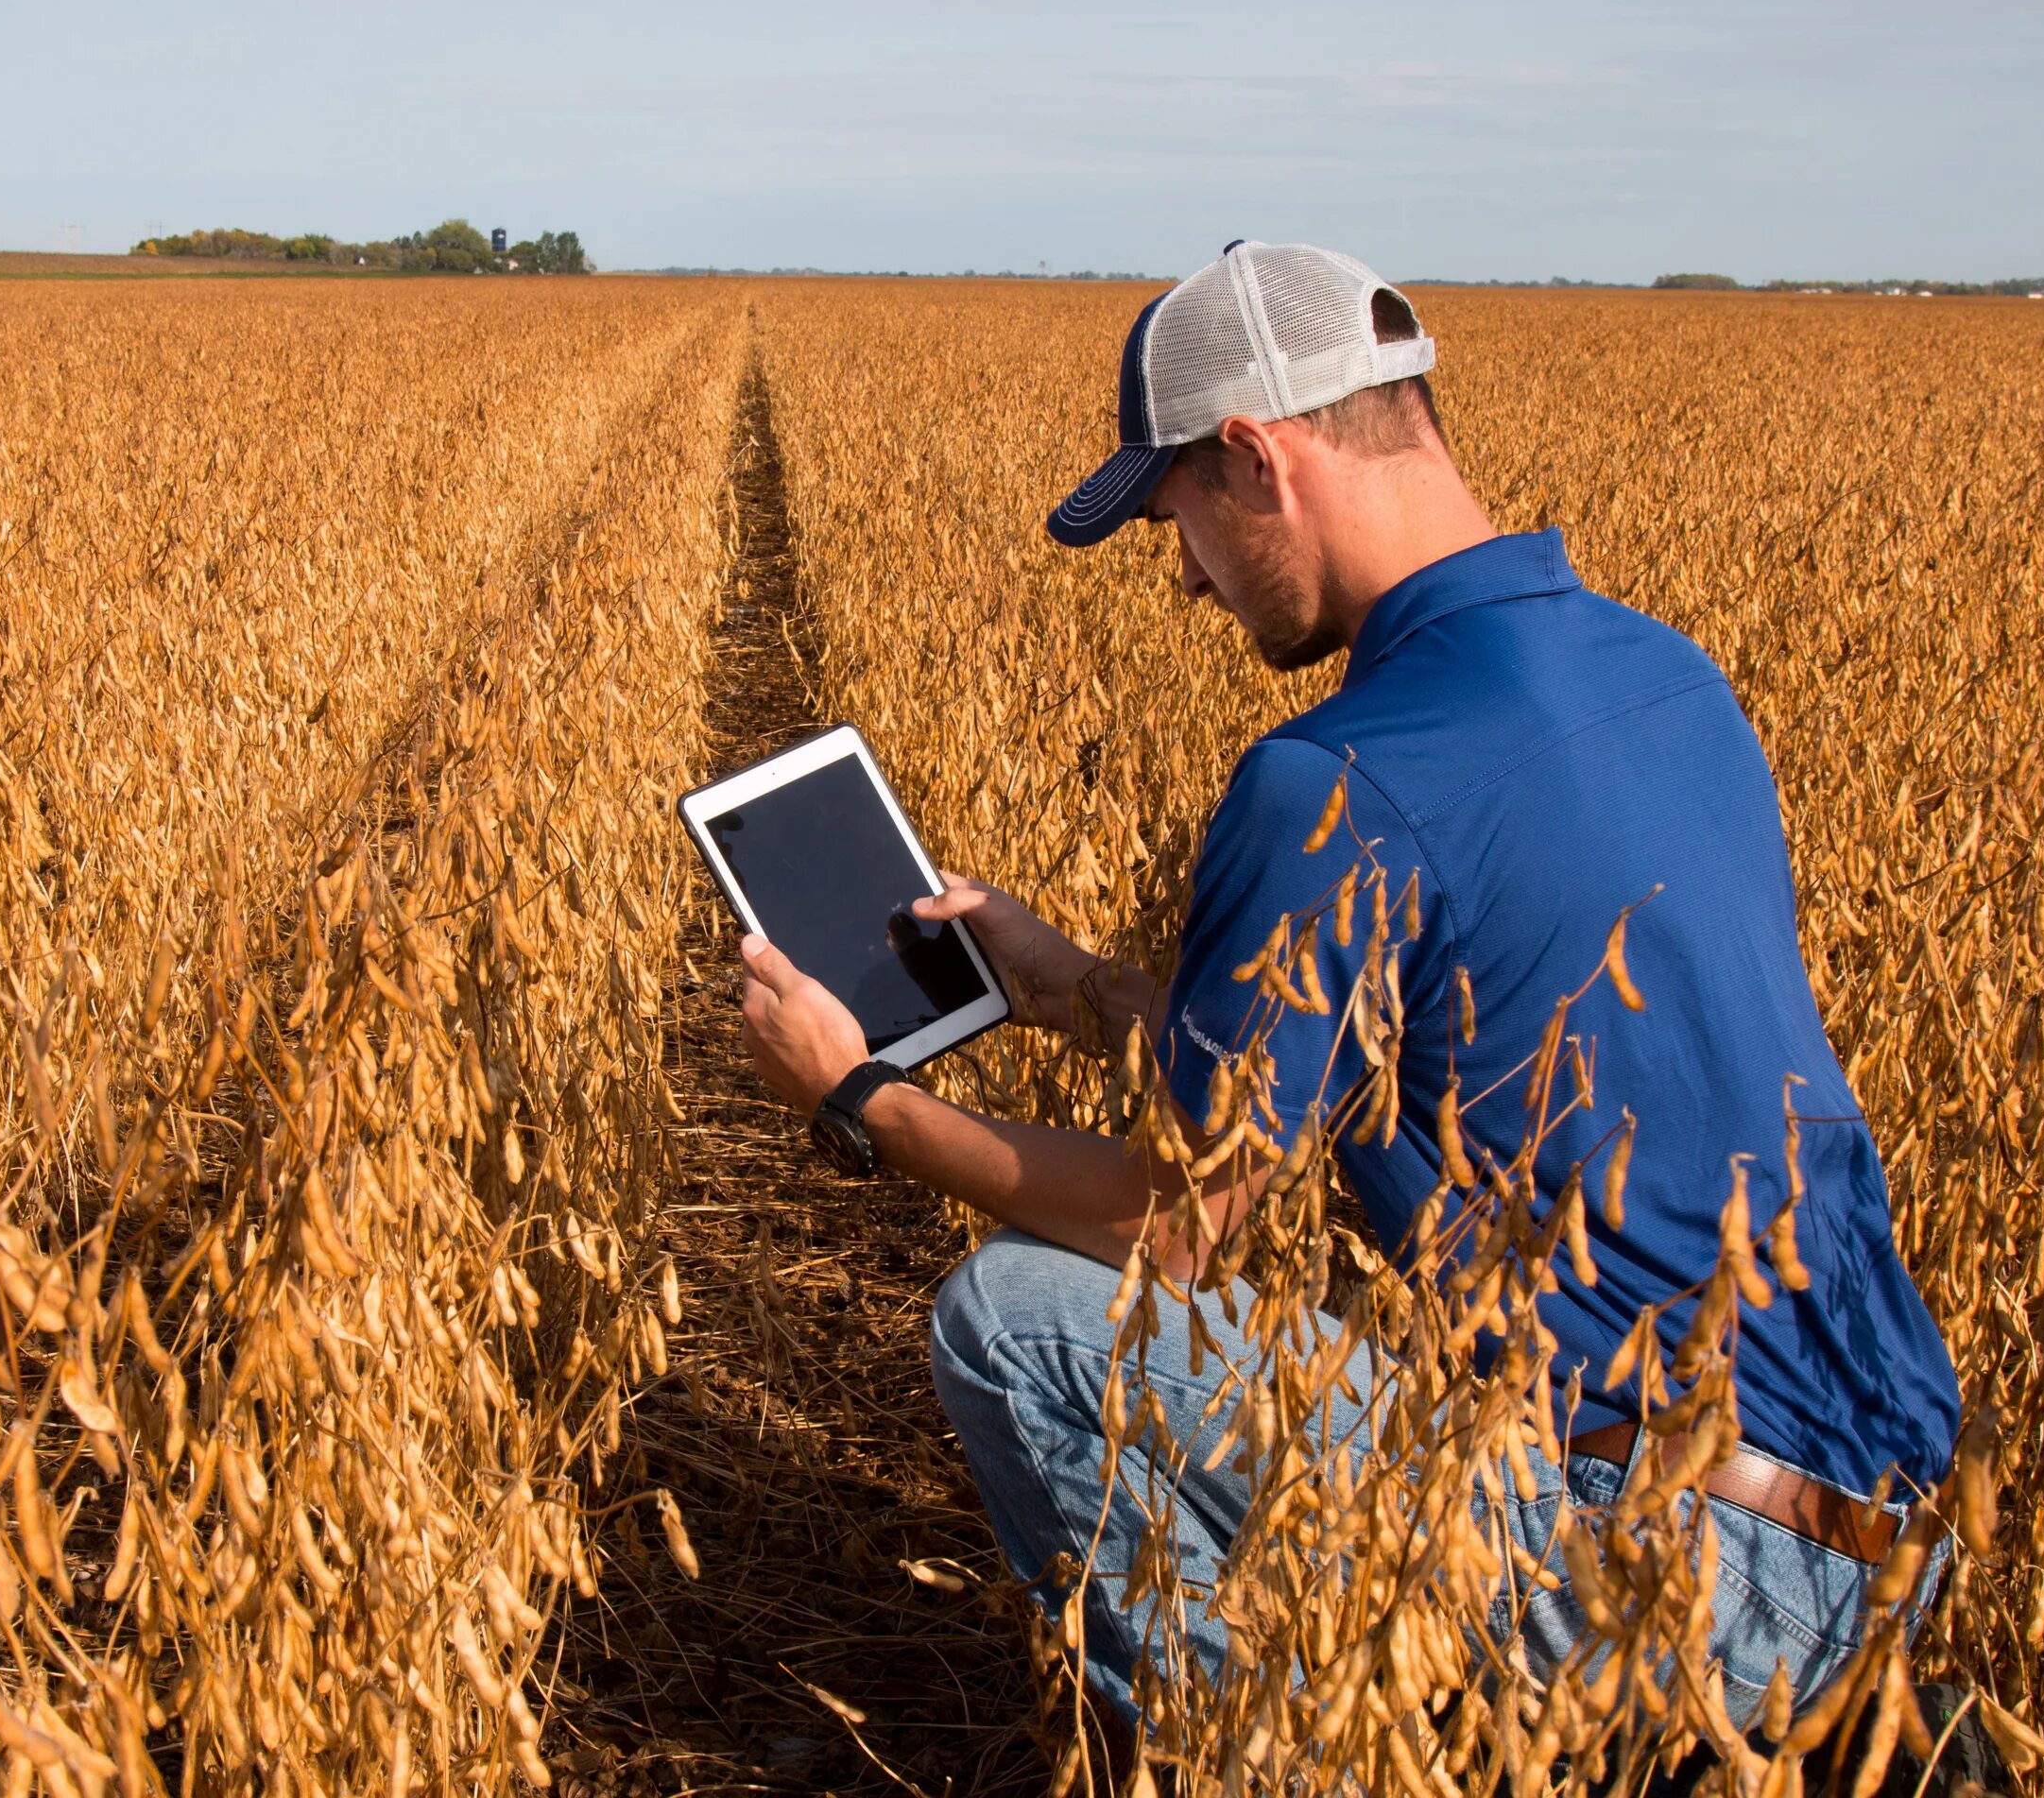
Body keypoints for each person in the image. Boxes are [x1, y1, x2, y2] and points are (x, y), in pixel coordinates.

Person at [731, 240, 1961, 1730]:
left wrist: (862, 1094)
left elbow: (1174, 1226)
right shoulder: (1667, 677)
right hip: (1885, 1539)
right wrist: (1073, 987)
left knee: (1015, 1322)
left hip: (1668, 1571)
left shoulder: (1335, 782)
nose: (1183, 577)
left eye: (1176, 517)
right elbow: (1399, 1042)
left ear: (1256, 457)